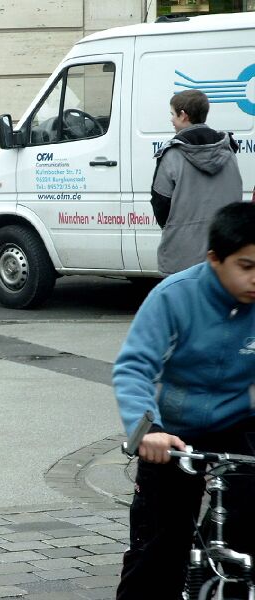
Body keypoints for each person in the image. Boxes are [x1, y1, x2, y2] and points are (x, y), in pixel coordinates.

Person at [114, 202, 255, 599]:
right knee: (158, 550)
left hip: (239, 423)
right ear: (214, 259)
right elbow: (134, 368)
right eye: (246, 266)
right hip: (173, 433)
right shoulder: (174, 297)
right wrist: (148, 431)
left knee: (247, 529)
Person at [150, 89, 243, 275]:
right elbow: (236, 197)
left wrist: (176, 228)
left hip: (182, 256)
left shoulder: (172, 154)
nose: (171, 119)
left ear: (183, 115)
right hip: (224, 254)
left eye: (172, 114)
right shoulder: (228, 150)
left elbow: (160, 203)